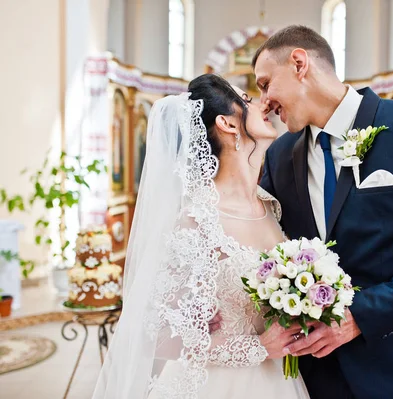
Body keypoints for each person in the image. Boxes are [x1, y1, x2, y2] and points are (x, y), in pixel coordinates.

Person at [255, 25, 393, 399]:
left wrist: (360, 316)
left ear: (299, 63)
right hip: (313, 373)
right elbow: (270, 248)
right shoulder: (279, 156)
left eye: (265, 84)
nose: (264, 102)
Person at [92, 74, 309, 398]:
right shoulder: (196, 220)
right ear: (227, 123)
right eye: (247, 101)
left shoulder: (269, 203)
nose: (263, 103)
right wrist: (258, 347)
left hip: (280, 381)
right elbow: (157, 334)